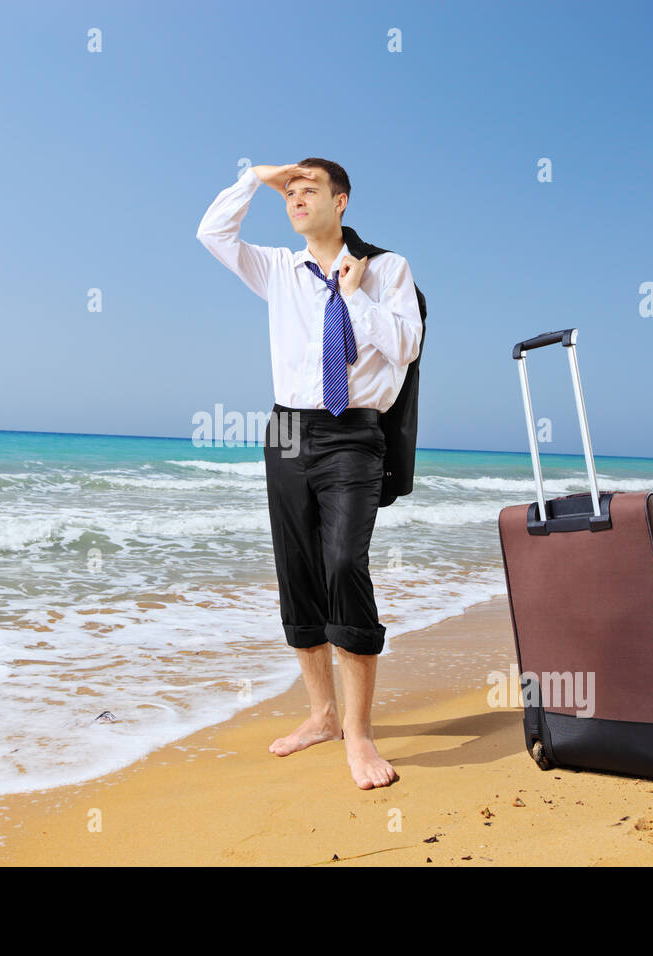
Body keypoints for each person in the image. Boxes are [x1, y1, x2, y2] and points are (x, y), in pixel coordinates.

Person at [196, 158, 423, 789]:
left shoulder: (387, 269)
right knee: (296, 572)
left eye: (309, 189)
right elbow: (212, 235)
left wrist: (355, 298)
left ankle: (360, 732)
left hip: (353, 429)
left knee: (344, 563)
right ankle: (322, 715)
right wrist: (254, 177)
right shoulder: (277, 269)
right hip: (289, 429)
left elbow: (405, 344)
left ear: (341, 201)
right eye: (290, 192)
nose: (296, 199)